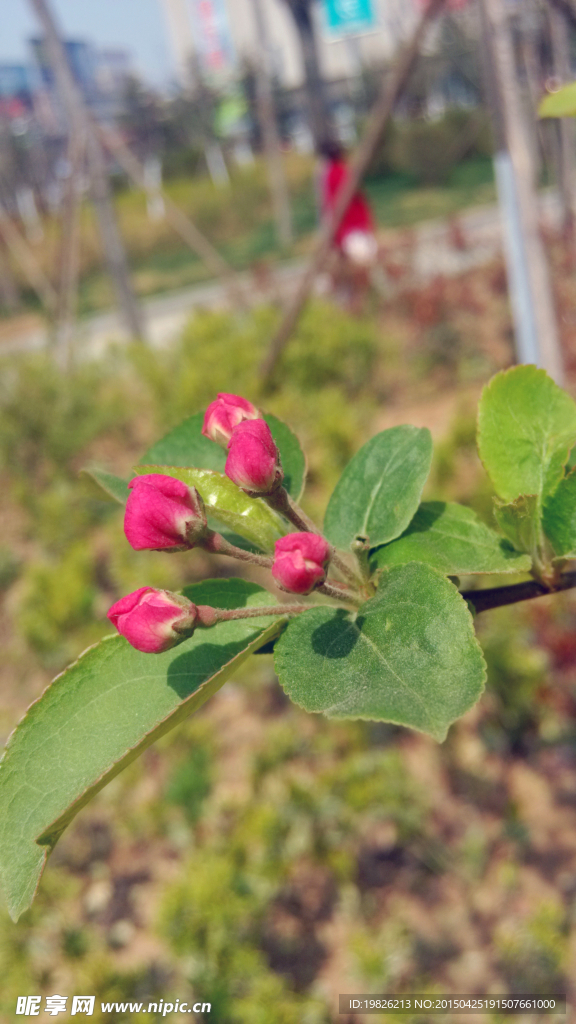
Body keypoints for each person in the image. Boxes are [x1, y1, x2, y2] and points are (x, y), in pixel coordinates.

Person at [318, 140, 379, 309]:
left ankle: (359, 302)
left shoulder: (328, 175)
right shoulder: (343, 171)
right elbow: (359, 199)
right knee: (364, 270)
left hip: (346, 232)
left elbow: (329, 207)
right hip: (355, 231)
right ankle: (364, 302)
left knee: (356, 273)